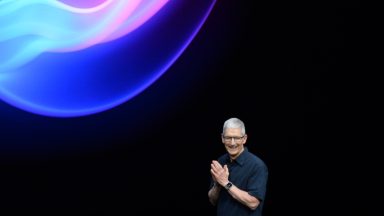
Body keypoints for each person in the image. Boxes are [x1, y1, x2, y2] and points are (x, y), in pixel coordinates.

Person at [208, 117, 268, 216]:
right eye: (228, 138)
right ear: (222, 138)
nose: (232, 143)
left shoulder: (257, 166)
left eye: (236, 138)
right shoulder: (221, 161)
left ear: (244, 139)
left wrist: (225, 183)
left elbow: (253, 203)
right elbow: (212, 200)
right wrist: (217, 184)